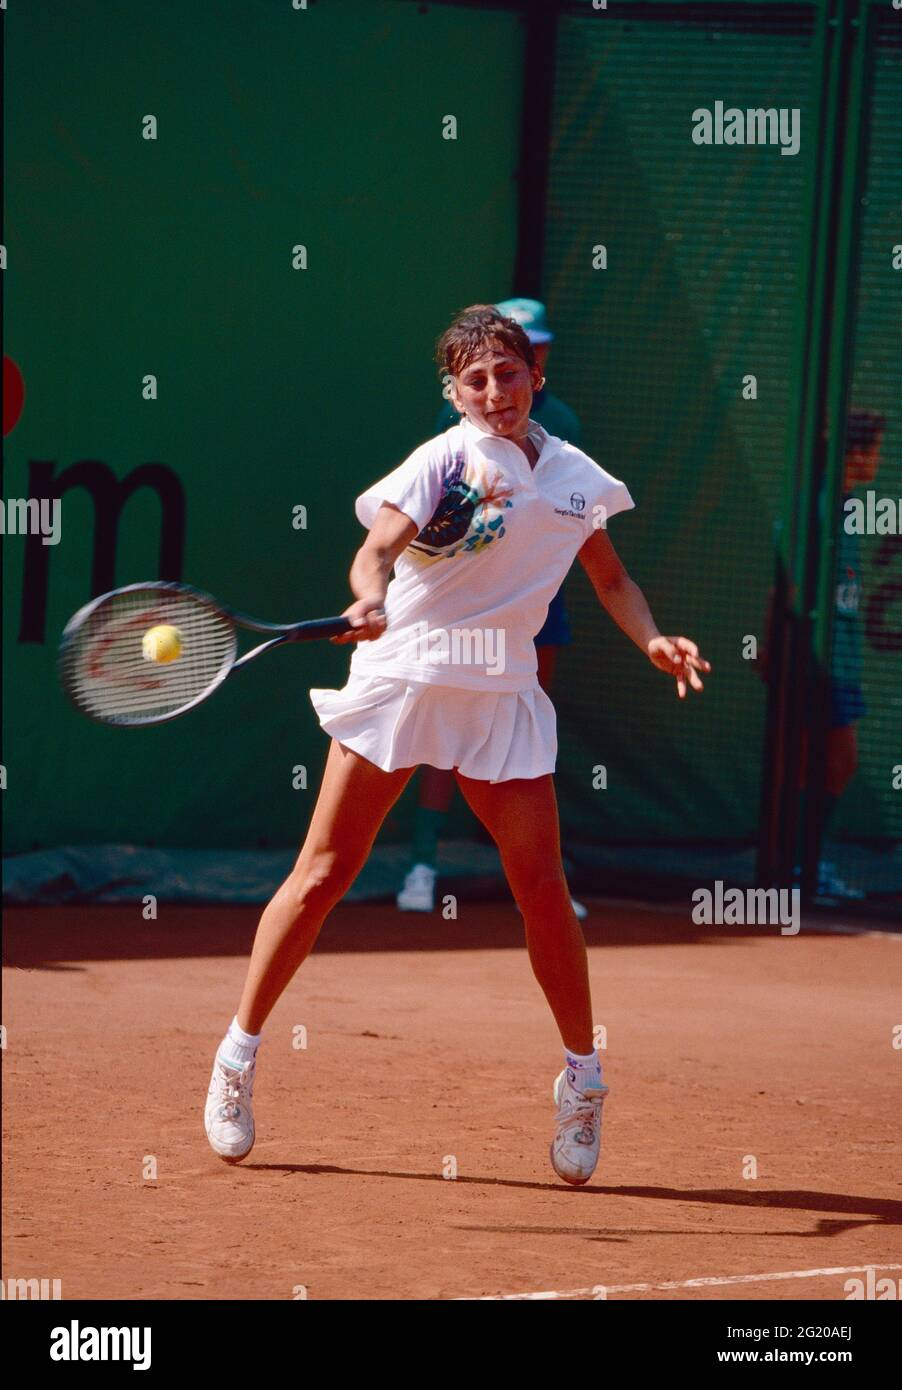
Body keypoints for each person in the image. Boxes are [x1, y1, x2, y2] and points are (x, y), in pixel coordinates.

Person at [204, 304, 709, 1186]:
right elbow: (376, 552)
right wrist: (365, 601)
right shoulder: (444, 459)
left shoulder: (577, 477)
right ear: (454, 391)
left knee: (542, 889)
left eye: (507, 374)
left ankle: (584, 1080)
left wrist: (653, 638)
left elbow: (611, 576)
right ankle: (238, 1058)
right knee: (323, 874)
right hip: (405, 678)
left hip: (499, 693)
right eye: (474, 380)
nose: (493, 392)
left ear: (535, 376)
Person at [397, 298, 588, 917]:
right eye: (480, 375)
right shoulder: (454, 428)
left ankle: (536, 878)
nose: (496, 388)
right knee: (442, 744)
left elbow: (573, 523)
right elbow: (435, 521)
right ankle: (423, 865)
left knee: (530, 732)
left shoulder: (565, 430)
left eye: (528, 353)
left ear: (537, 363)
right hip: (451, 613)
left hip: (533, 605)